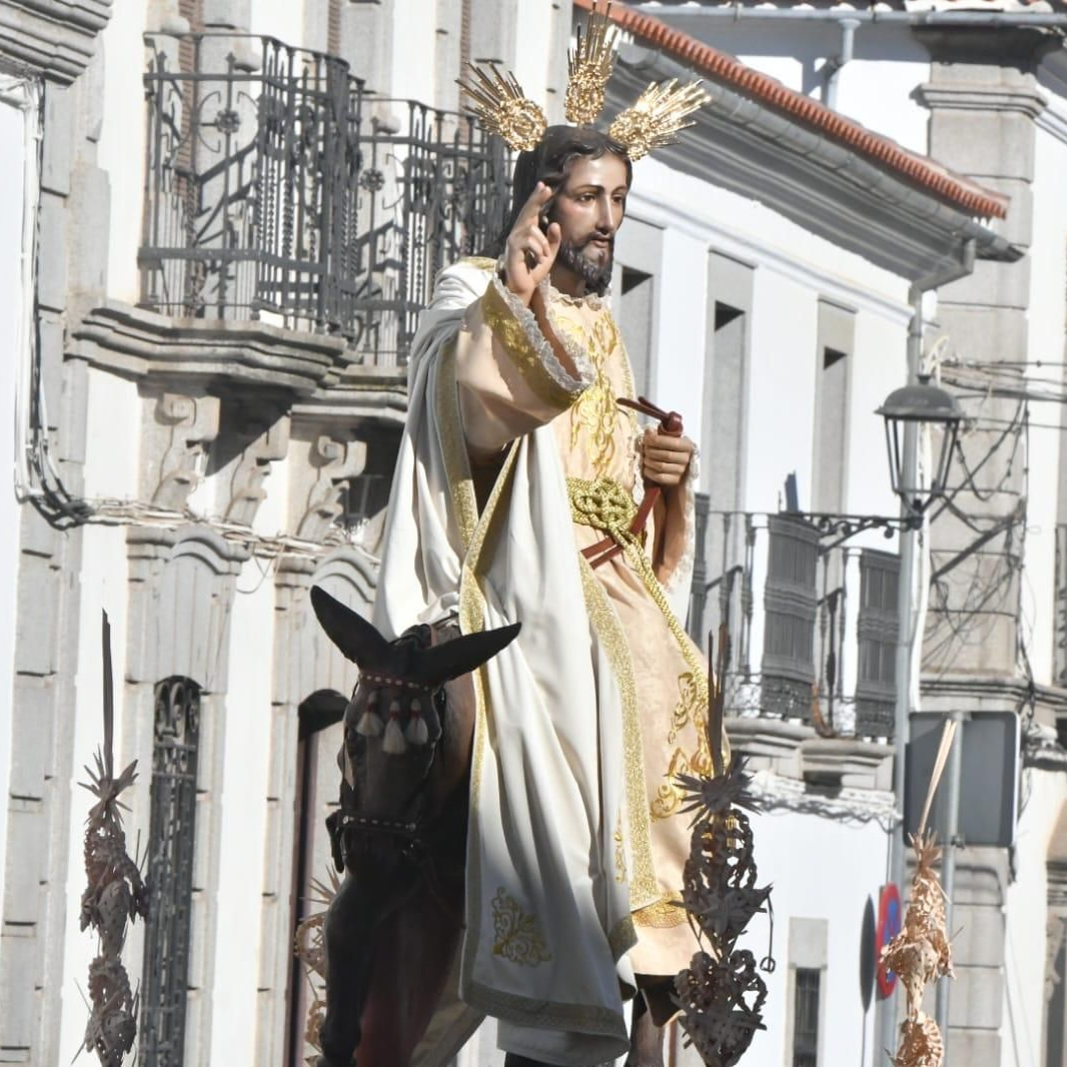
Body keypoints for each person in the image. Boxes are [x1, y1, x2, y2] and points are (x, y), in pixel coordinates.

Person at [372, 66, 715, 1066]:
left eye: (620, 199)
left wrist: (665, 479)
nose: (608, 217)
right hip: (523, 571)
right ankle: (580, 934)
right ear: (541, 201)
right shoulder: (470, 290)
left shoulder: (605, 329)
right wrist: (509, 309)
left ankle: (663, 948)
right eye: (589, 197)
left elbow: (616, 472)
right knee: (613, 677)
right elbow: (475, 405)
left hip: (613, 572)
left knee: (678, 679)